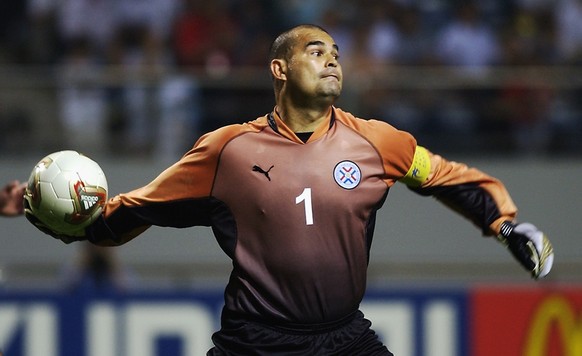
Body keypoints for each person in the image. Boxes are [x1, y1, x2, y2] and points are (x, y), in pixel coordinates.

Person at [24, 25, 554, 355]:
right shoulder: (226, 151)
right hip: (254, 343)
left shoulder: (377, 142)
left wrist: (507, 225)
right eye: (316, 51)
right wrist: (79, 226)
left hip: (346, 339)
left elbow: (445, 177)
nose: (332, 60)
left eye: (337, 54)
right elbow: (140, 210)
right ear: (279, 68)